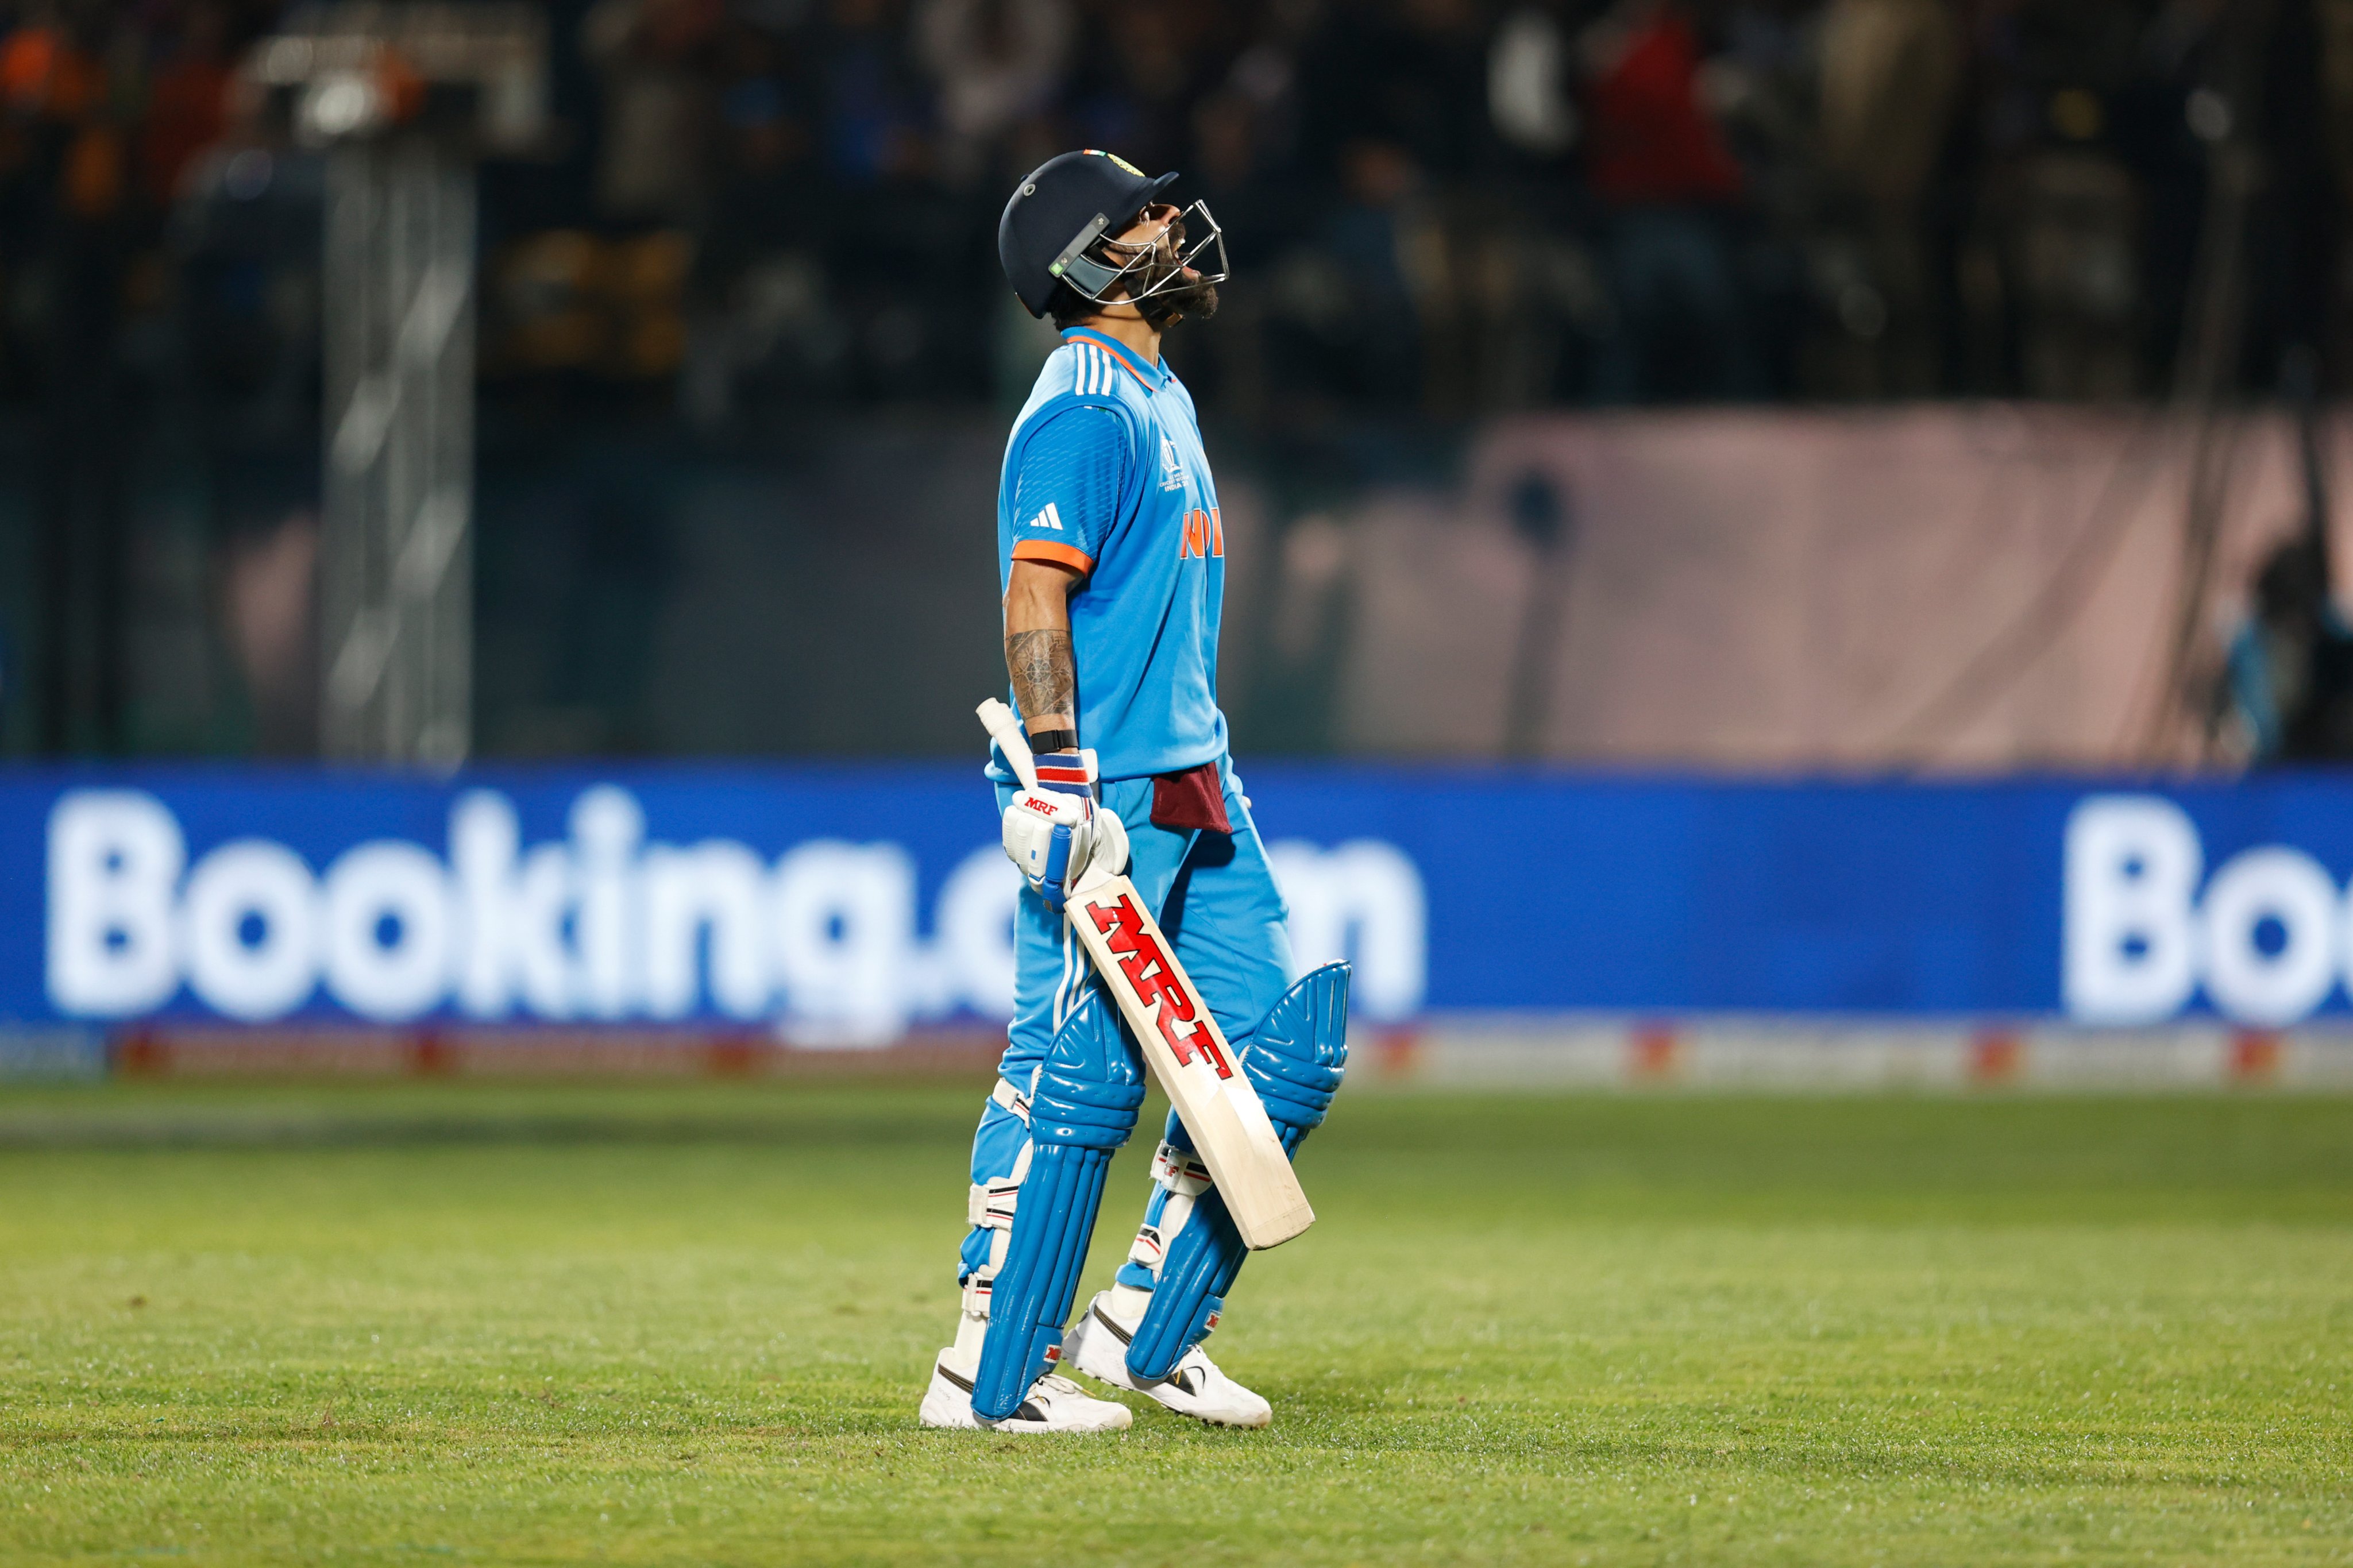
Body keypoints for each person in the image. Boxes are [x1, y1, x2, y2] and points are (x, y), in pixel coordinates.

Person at [918, 149, 1351, 1434]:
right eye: (1140, 217)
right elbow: (1034, 593)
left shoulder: (1162, 391)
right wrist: (1057, 777)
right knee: (1069, 1070)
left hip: (1198, 780)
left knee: (1280, 1047)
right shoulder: (1084, 408)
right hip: (1103, 797)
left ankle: (1138, 1323)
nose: (1172, 225)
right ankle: (984, 1365)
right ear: (1084, 264)